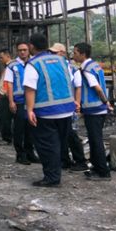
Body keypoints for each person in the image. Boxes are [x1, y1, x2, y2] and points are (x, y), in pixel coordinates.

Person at [24, 33, 77, 187]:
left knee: (47, 145)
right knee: (60, 144)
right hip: (66, 109)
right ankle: (56, 172)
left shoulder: (33, 64)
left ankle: (52, 177)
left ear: (31, 46)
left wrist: (29, 110)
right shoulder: (63, 61)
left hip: (46, 111)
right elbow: (70, 81)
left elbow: (30, 89)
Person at [72, 42, 112, 179]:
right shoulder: (95, 66)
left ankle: (103, 172)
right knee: (95, 139)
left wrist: (106, 102)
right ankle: (97, 168)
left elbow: (97, 88)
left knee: (96, 141)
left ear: (83, 54)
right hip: (96, 109)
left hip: (94, 109)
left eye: (75, 52)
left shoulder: (87, 69)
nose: (73, 55)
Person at [49, 43, 87, 172]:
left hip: (68, 107)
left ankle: (80, 160)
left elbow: (78, 87)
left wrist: (76, 104)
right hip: (57, 107)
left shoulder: (71, 68)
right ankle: (64, 160)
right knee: (61, 135)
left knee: (71, 134)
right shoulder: (53, 67)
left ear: (63, 53)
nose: (53, 55)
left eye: (56, 53)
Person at [4, 43, 39, 165]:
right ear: (17, 51)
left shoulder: (33, 63)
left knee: (31, 128)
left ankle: (30, 153)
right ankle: (20, 154)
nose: (22, 52)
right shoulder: (12, 66)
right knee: (19, 129)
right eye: (20, 50)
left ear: (29, 50)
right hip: (18, 101)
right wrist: (11, 101)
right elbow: (9, 84)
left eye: (24, 50)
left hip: (32, 101)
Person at [0, 49, 14, 143]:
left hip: (7, 96)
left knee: (5, 118)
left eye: (2, 58)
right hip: (6, 95)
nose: (0, 60)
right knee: (5, 118)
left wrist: (7, 95)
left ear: (8, 56)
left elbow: (9, 83)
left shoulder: (10, 67)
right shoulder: (8, 68)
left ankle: (7, 138)